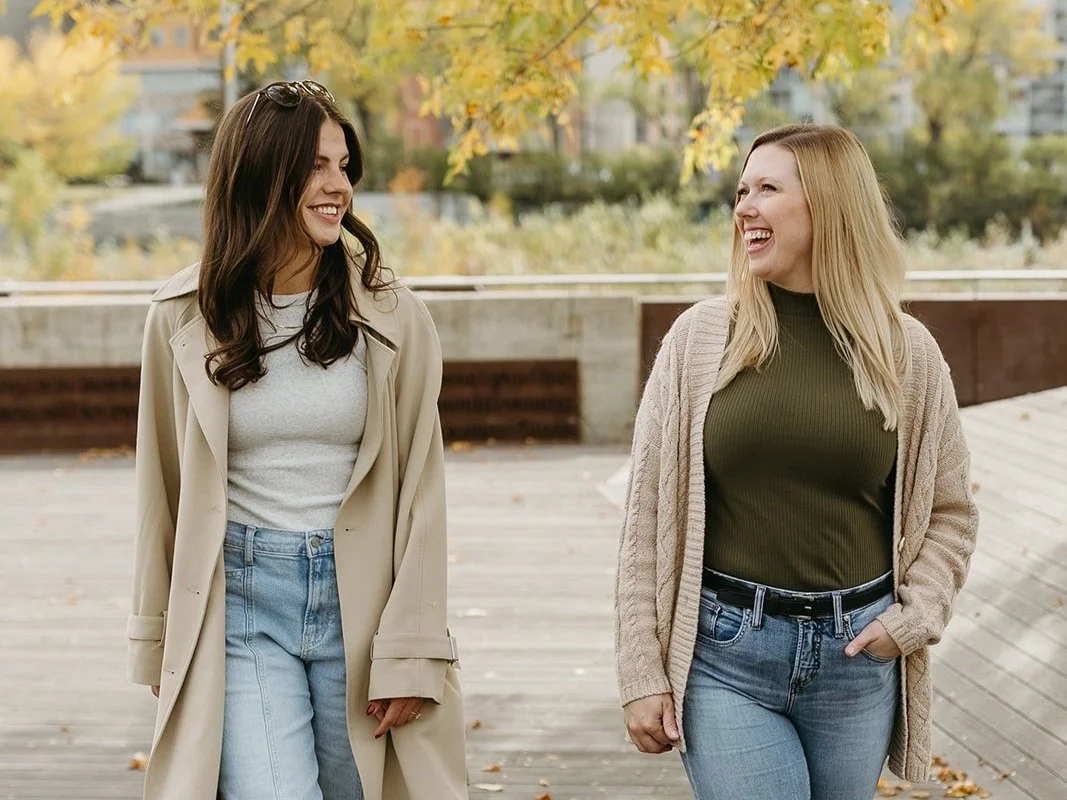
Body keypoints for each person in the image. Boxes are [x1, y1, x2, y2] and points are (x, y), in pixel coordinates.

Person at [614, 123, 979, 799]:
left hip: (856, 661)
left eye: (767, 189)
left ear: (829, 205)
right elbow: (647, 520)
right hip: (724, 655)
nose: (742, 208)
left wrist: (908, 621)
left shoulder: (907, 353)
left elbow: (951, 515)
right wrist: (641, 670)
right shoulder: (700, 340)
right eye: (740, 190)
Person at [126, 80, 467, 800]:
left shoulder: (395, 315)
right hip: (241, 607)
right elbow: (161, 492)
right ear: (261, 171)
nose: (337, 186)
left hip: (365, 607)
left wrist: (412, 650)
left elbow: (421, 496)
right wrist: (158, 642)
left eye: (344, 166)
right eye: (316, 165)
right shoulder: (180, 317)